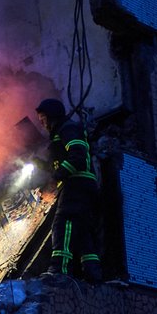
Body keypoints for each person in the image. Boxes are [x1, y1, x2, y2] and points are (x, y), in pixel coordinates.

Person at [35, 98, 103, 282]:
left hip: (77, 184)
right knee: (82, 231)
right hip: (82, 186)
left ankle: (59, 270)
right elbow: (61, 162)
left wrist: (56, 179)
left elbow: (78, 157)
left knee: (62, 224)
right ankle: (92, 273)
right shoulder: (61, 132)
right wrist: (39, 164)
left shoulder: (68, 129)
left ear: (52, 116)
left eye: (42, 117)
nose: (41, 122)